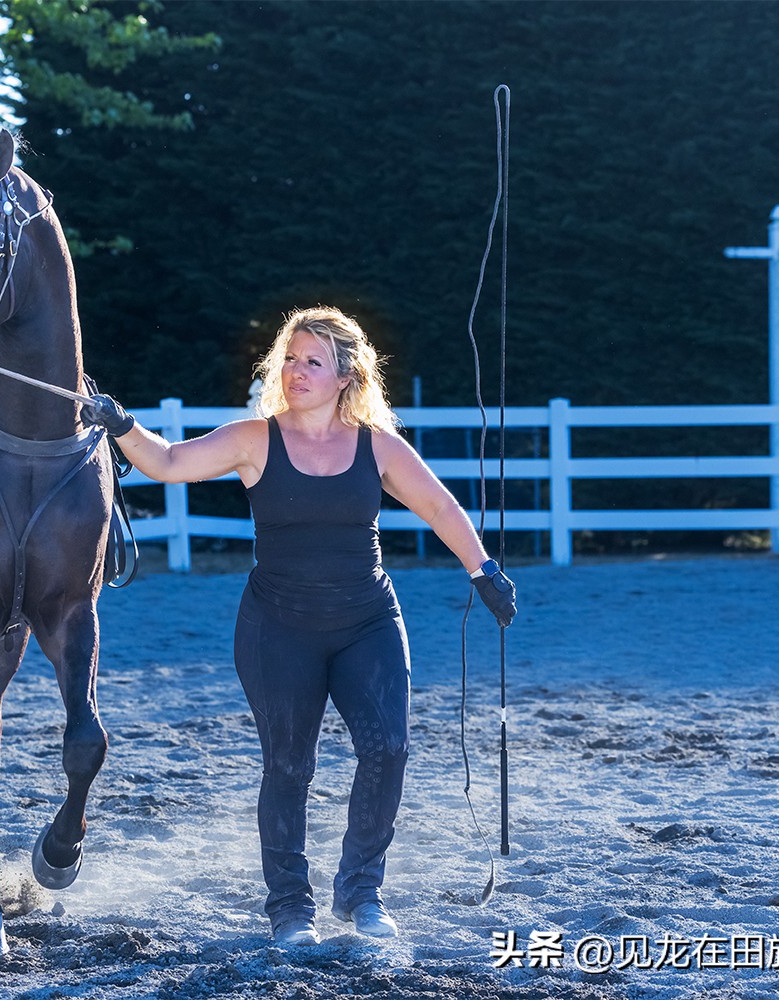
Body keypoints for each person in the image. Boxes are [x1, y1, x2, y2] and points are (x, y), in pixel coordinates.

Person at [83, 306, 517, 946]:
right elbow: (170, 462)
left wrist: (483, 571)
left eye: (313, 361)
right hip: (276, 627)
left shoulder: (379, 447)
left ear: (346, 375)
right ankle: (290, 907)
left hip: (367, 620)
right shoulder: (254, 438)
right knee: (289, 765)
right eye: (290, 358)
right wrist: (122, 425)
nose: (296, 371)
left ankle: (360, 892)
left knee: (388, 748)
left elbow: (438, 505)